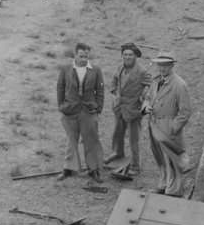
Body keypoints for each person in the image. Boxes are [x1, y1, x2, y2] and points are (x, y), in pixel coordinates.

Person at [142, 51, 192, 197]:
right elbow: (147, 97)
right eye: (159, 65)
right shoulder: (156, 81)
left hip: (168, 127)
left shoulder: (179, 84)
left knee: (172, 159)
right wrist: (146, 107)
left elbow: (185, 112)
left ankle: (174, 190)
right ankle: (164, 185)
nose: (162, 68)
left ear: (172, 66)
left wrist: (173, 127)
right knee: (160, 157)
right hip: (154, 125)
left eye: (165, 65)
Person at [56, 42, 106, 183]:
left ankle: (93, 170)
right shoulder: (66, 69)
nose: (84, 59)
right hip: (70, 110)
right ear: (75, 55)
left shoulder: (95, 70)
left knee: (91, 139)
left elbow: (100, 91)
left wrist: (98, 108)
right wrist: (61, 106)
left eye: (86, 56)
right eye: (81, 56)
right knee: (71, 140)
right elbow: (60, 88)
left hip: (88, 110)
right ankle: (68, 168)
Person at [106, 43, 152, 177]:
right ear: (122, 55)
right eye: (125, 54)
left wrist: (142, 98)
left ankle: (135, 165)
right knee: (117, 133)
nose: (127, 57)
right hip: (119, 107)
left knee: (133, 140)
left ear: (136, 56)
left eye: (130, 55)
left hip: (133, 110)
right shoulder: (120, 66)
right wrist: (115, 91)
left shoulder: (142, 71)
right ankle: (117, 154)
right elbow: (114, 78)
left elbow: (153, 86)